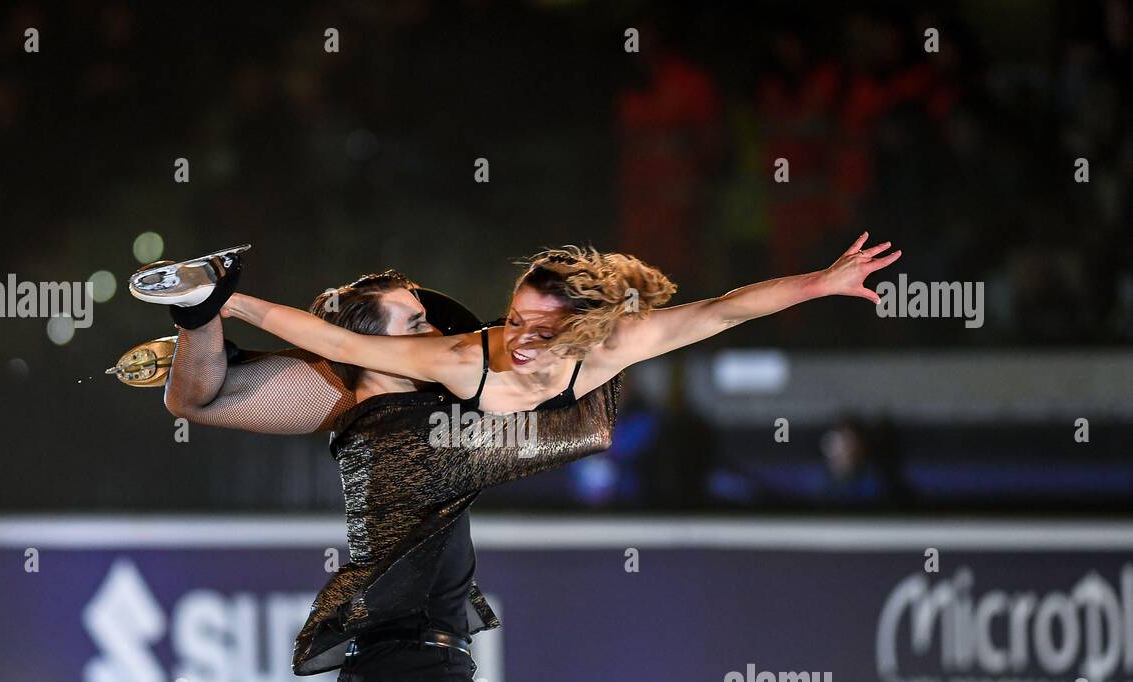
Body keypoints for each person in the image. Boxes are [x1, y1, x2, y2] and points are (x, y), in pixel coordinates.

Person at [122, 257, 622, 682]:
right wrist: (602, 335)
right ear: (366, 347)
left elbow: (196, 397)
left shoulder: (373, 401)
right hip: (419, 681)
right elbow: (588, 427)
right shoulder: (422, 428)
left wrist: (202, 315)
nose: (436, 336)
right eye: (415, 326)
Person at [215, 233, 901, 415]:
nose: (521, 335)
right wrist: (229, 303)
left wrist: (818, 283)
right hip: (450, 352)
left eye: (539, 327)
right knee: (373, 355)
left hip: (548, 400)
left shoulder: (611, 347)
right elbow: (341, 342)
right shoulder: (465, 357)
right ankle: (227, 357)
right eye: (516, 317)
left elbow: (724, 310)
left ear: (578, 334)